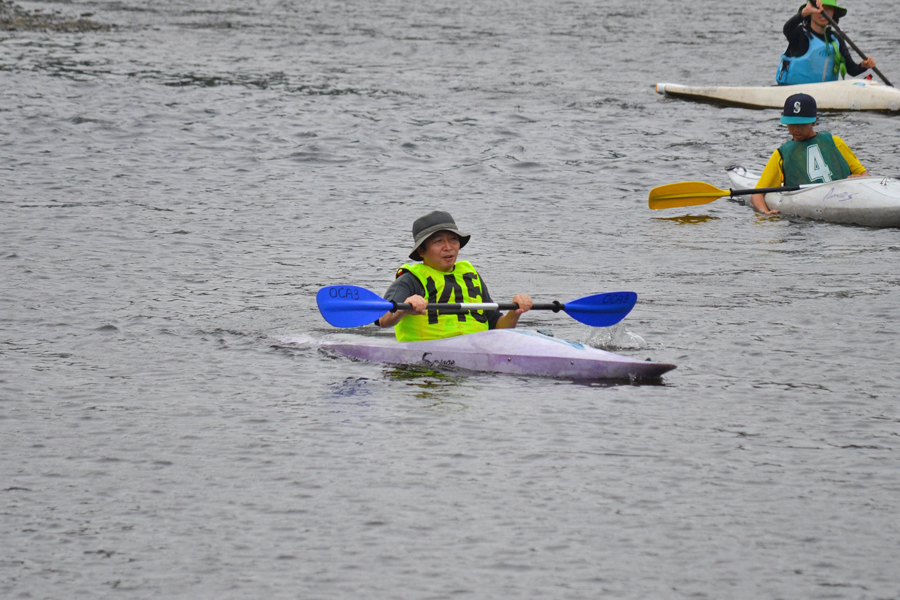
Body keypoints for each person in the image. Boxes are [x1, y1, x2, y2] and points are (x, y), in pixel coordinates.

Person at [376, 211, 532, 341]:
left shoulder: (470, 277)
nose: (448, 247)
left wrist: (515, 311)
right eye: (438, 241)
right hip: (426, 361)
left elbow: (498, 327)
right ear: (421, 251)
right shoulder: (410, 280)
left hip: (476, 352)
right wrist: (404, 308)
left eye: (453, 240)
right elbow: (383, 319)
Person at [751, 93, 869, 215]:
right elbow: (757, 194)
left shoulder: (835, 142)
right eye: (792, 124)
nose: (797, 129)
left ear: (815, 121)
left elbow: (866, 175)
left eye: (802, 124)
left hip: (847, 200)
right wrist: (764, 212)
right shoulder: (781, 154)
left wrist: (860, 178)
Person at [776, 0, 876, 85]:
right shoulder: (800, 35)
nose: (823, 12)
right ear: (810, 11)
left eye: (829, 8)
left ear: (834, 13)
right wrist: (804, 12)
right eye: (819, 8)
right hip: (795, 95)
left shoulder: (836, 39)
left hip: (824, 96)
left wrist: (864, 65)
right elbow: (787, 29)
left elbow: (852, 70)